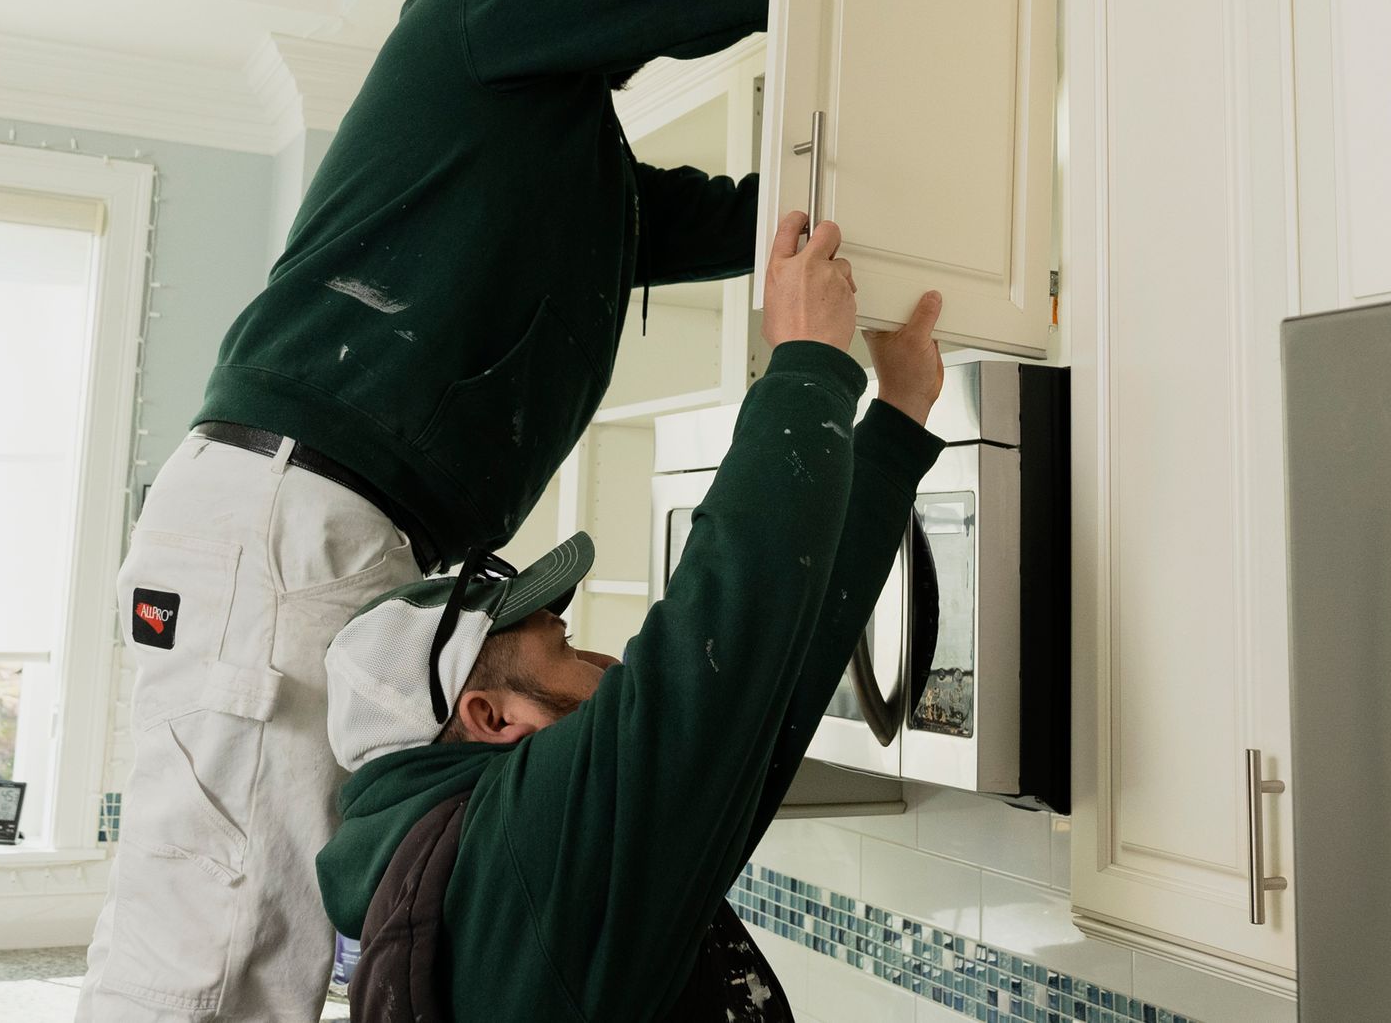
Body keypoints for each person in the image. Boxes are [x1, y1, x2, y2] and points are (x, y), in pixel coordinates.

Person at [77, 0, 777, 1022]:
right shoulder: (470, 4)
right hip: (291, 503)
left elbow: (733, 218)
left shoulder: (559, 166)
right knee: (225, 934)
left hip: (321, 518)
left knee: (262, 927)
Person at [316, 213, 948, 1023]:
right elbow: (717, 633)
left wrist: (895, 423)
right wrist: (807, 364)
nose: (607, 664)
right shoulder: (522, 853)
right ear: (489, 715)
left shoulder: (454, 870)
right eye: (564, 645)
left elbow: (760, 700)